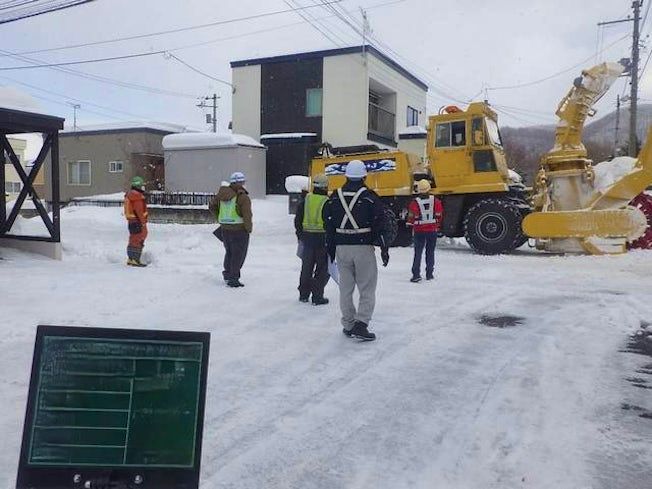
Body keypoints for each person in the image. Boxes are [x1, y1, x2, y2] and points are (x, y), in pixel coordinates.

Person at [323, 160, 390, 341]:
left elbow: (328, 224)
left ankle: (348, 323)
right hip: (362, 247)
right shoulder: (369, 197)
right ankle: (361, 324)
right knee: (367, 287)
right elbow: (380, 224)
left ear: (346, 176)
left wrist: (330, 249)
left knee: (345, 288)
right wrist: (384, 248)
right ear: (364, 176)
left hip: (341, 247)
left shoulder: (335, 197)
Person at [209, 172, 253, 288]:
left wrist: (220, 218)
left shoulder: (222, 194)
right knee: (238, 255)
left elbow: (212, 206)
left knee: (229, 253)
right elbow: (247, 215)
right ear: (241, 182)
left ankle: (227, 274)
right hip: (239, 230)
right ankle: (234, 278)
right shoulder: (242, 197)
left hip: (225, 230)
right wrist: (248, 229)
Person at [294, 173, 330, 305]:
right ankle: (317, 296)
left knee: (306, 267)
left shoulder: (305, 201)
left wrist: (300, 235)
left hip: (307, 239)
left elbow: (298, 220)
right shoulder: (327, 202)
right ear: (325, 186)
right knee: (322, 269)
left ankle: (303, 294)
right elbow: (331, 223)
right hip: (322, 239)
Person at [407, 179, 443, 282]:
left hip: (419, 231)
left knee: (418, 252)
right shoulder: (436, 201)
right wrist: (436, 225)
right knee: (430, 252)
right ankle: (429, 274)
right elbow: (439, 215)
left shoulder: (414, 203)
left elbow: (411, 217)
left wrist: (411, 224)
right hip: (432, 230)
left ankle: (416, 274)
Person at [123, 176, 149, 267]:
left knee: (133, 239)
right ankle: (135, 259)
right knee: (138, 239)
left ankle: (131, 258)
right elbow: (139, 211)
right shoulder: (137, 197)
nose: (143, 187)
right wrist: (143, 222)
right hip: (138, 221)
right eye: (142, 185)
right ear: (138, 186)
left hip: (132, 222)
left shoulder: (130, 195)